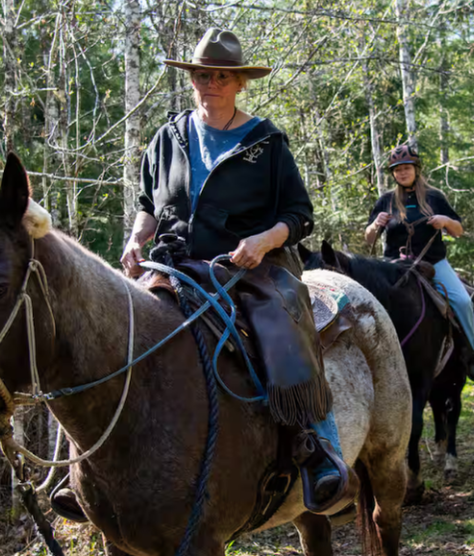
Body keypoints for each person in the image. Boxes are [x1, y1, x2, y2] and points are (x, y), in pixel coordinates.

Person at [120, 28, 349, 514]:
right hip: (173, 263)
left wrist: (264, 241)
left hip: (250, 266)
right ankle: (91, 465)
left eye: (222, 76)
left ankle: (317, 446)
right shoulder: (168, 138)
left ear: (241, 82)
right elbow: (148, 204)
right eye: (202, 76)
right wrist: (136, 238)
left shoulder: (266, 142)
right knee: (112, 324)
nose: (211, 84)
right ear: (192, 79)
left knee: (284, 326)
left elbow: (299, 215)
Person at [365, 144, 474, 382]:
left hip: (432, 263)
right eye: (397, 169)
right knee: (367, 303)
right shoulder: (386, 201)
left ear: (416, 169)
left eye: (406, 168)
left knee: (463, 301)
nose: (402, 173)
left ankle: (472, 356)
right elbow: (369, 238)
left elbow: (458, 230)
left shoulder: (434, 197)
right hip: (394, 266)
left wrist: (445, 221)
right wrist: (374, 225)